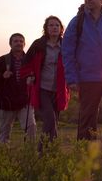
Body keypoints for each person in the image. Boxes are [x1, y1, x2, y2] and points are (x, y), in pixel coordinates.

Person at [62, 0, 102, 140]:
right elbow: (67, 52)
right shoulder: (77, 22)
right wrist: (71, 78)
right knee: (87, 117)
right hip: (87, 77)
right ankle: (86, 154)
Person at [21, 16, 69, 152]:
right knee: (50, 120)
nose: (54, 27)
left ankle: (48, 155)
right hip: (42, 89)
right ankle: (45, 152)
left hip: (59, 91)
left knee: (51, 123)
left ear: (61, 29)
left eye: (56, 25)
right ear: (46, 29)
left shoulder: (66, 45)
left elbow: (72, 63)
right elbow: (25, 64)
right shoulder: (38, 45)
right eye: (51, 25)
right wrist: (30, 75)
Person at [0, 33, 36, 143]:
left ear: (24, 44)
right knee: (4, 132)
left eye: (21, 41)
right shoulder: (2, 60)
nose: (19, 43)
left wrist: (33, 79)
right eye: (15, 41)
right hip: (6, 102)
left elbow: (37, 75)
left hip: (25, 101)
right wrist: (2, 76)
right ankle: (3, 157)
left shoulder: (30, 61)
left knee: (31, 127)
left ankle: (30, 154)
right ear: (10, 44)